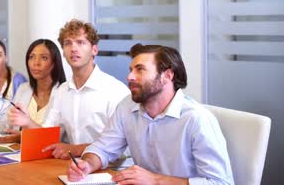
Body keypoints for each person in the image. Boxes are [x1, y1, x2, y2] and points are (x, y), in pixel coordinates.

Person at [68, 44, 234, 185]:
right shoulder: (127, 106)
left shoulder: (197, 119)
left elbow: (220, 182)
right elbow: (103, 148)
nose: (130, 76)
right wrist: (87, 164)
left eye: (140, 70)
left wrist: (155, 180)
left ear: (167, 76)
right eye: (131, 69)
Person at [10, 19, 129, 159]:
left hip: (111, 170)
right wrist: (27, 121)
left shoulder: (115, 91)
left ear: (94, 50)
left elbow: (125, 146)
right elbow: (48, 136)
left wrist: (77, 149)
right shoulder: (63, 91)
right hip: (73, 168)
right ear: (63, 52)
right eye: (68, 43)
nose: (73, 48)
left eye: (80, 42)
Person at [0, 39, 67, 143]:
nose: (36, 63)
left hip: (51, 156)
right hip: (20, 152)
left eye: (44, 58)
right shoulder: (24, 88)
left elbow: (58, 136)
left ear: (54, 63)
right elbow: (7, 120)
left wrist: (22, 136)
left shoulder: (63, 92)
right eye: (31, 57)